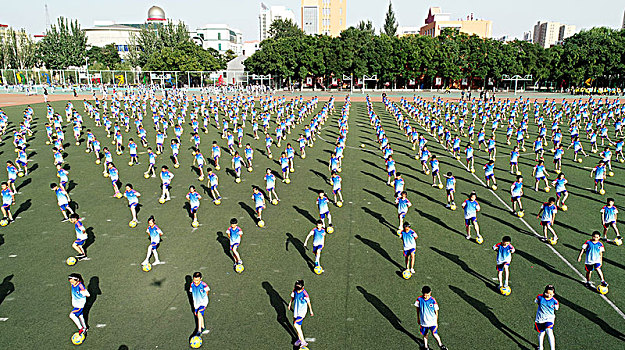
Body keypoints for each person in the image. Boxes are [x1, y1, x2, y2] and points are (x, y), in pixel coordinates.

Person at [414, 286, 448, 350]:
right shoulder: (419, 299)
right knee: (425, 335)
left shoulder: (433, 300)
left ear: (430, 293)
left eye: (428, 295)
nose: (426, 296)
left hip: (432, 322)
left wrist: (436, 322)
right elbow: (417, 309)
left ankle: (441, 345)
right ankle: (426, 347)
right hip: (424, 322)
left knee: (435, 334)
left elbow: (436, 311)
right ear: (422, 293)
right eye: (425, 295)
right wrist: (418, 318)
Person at [288, 279, 314, 349]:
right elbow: (293, 297)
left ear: (303, 287)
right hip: (296, 311)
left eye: (299, 288)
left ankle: (303, 342)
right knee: (298, 326)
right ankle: (299, 339)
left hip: (302, 312)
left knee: (295, 324)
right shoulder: (295, 290)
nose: (298, 290)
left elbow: (308, 302)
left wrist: (311, 311)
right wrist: (290, 303)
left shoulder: (305, 293)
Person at [534, 285, 559, 350]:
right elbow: (536, 301)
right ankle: (540, 347)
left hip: (549, 319)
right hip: (540, 318)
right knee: (541, 333)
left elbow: (556, 308)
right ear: (544, 292)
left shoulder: (555, 301)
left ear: (553, 294)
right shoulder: (539, 297)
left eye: (550, 294)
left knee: (549, 331)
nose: (548, 295)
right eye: (547, 293)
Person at [190, 272, 210, 337]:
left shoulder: (204, 285)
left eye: (197, 280)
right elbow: (191, 292)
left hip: (203, 302)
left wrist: (204, 300)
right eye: (194, 280)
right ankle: (202, 327)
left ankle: (199, 331)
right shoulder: (191, 285)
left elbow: (207, 292)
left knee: (199, 313)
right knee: (198, 315)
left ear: (201, 279)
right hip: (196, 303)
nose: (196, 282)